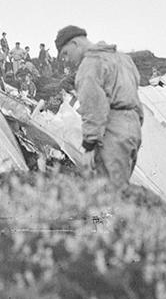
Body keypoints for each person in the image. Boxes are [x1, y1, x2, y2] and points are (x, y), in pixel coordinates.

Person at [55, 24, 144, 185]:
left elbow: (94, 106)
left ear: (75, 43)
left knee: (109, 191)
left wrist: (89, 144)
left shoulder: (90, 64)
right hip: (133, 129)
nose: (67, 60)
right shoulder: (124, 59)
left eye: (66, 53)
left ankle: (110, 212)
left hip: (112, 131)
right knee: (121, 186)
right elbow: (135, 95)